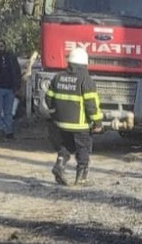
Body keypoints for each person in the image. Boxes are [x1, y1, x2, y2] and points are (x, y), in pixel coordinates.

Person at [45, 48, 103, 186]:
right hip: (81, 125)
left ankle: (59, 166)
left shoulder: (58, 77)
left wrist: (54, 114)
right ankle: (81, 178)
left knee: (66, 146)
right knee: (84, 149)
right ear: (84, 63)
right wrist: (97, 122)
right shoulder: (86, 80)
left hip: (61, 123)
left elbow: (48, 99)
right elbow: (91, 105)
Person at [0, 39, 21, 139]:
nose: (0, 48)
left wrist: (17, 85)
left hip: (10, 89)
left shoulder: (11, 57)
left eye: (2, 46)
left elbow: (17, 71)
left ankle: (9, 132)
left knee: (8, 112)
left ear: (5, 47)